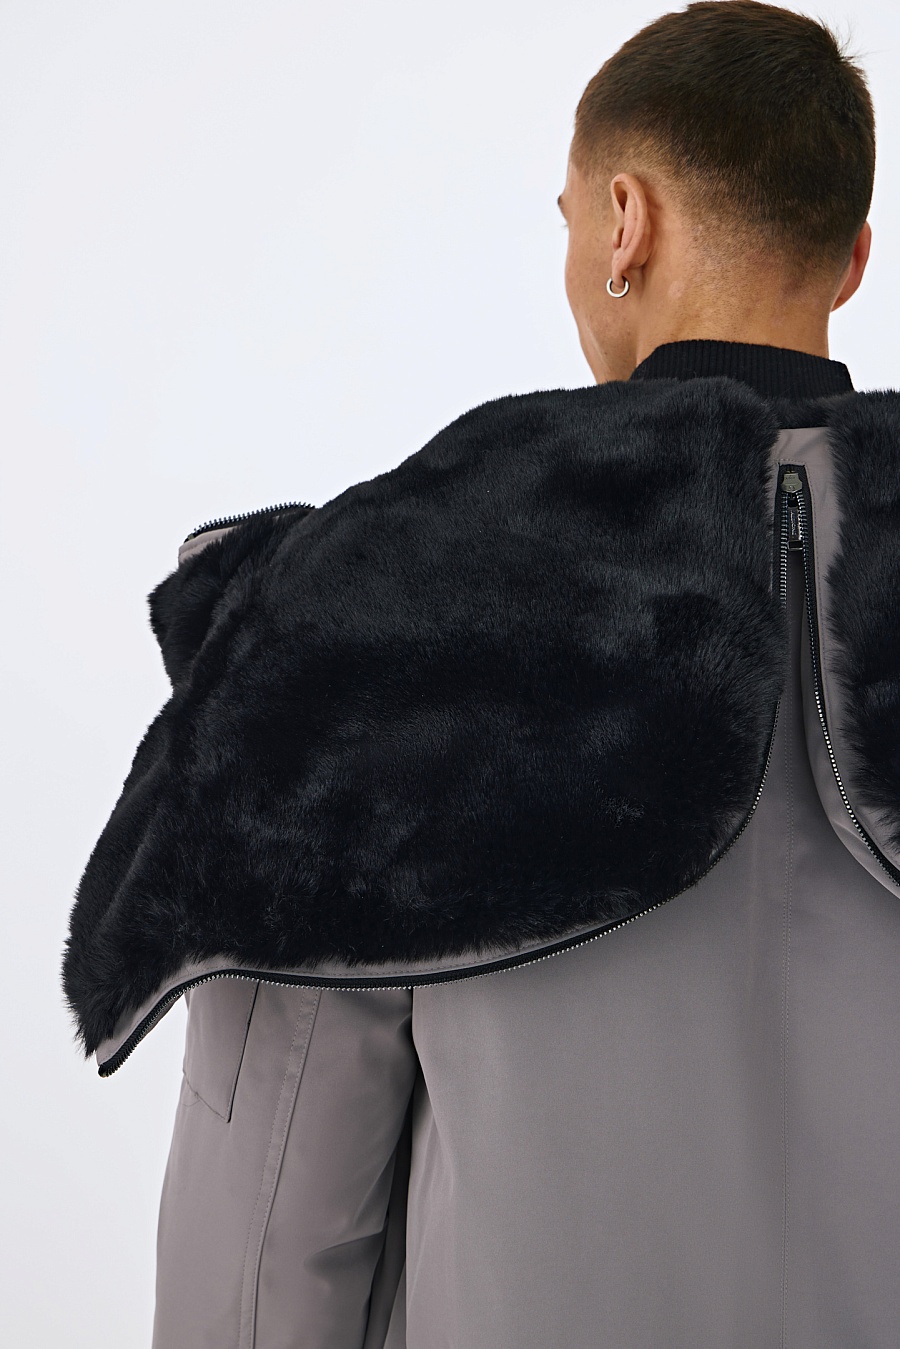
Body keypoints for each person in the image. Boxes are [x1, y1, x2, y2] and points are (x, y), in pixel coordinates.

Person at [61, 2, 900, 1345]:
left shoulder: (388, 597)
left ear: (624, 221)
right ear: (853, 257)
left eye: (569, 215)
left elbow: (266, 1238)